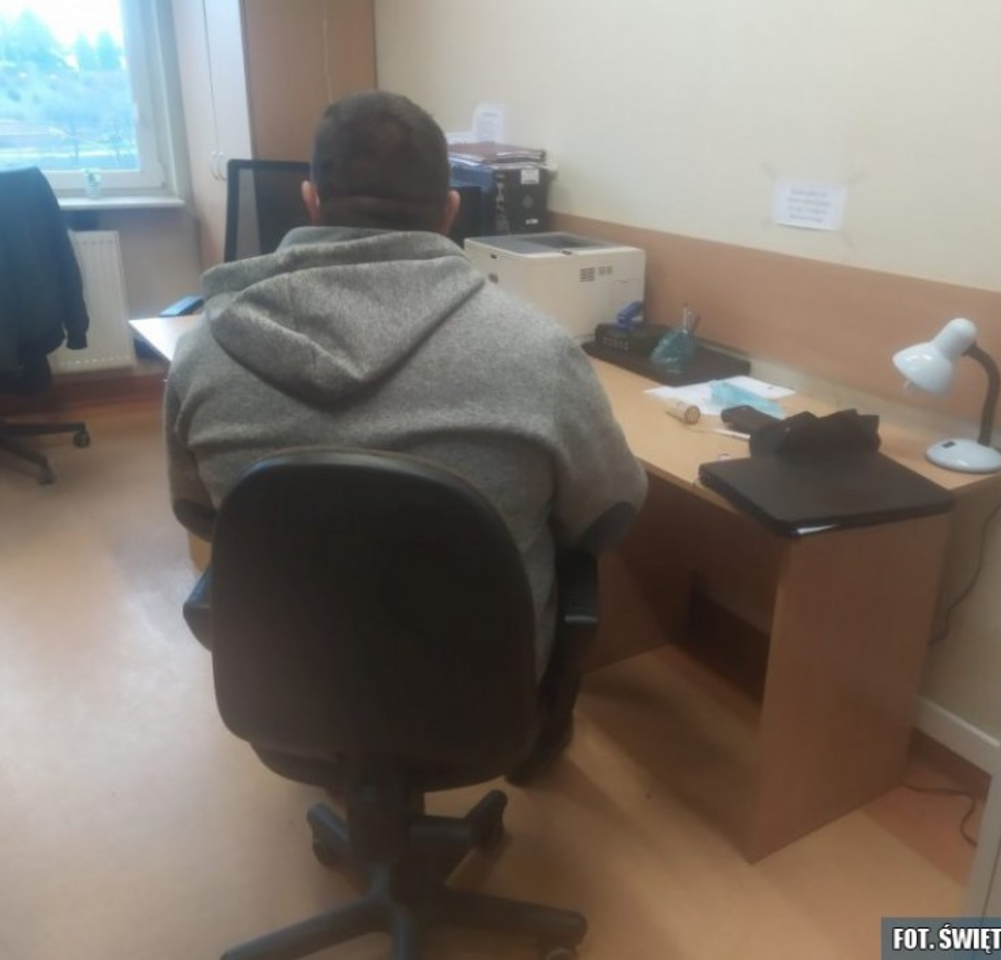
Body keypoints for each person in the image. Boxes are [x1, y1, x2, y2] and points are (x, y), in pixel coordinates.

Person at [164, 90, 647, 780]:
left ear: (310, 200)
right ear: (450, 209)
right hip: (482, 688)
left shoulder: (203, 353)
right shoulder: (539, 352)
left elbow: (200, 513)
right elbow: (608, 514)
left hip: (289, 681)